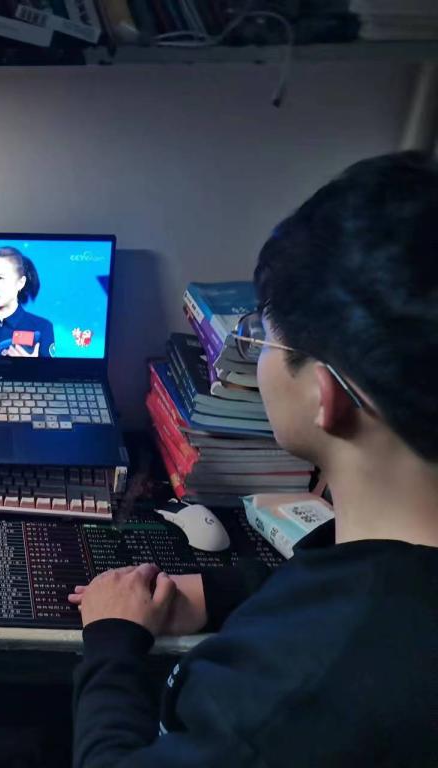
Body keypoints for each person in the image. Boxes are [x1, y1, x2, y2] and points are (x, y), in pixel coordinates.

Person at [69, 152, 438, 767]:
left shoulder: (289, 698)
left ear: (325, 394)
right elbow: (349, 582)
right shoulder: (389, 571)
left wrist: (111, 643)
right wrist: (222, 592)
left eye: (262, 337)